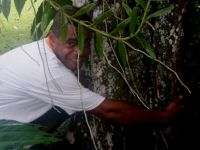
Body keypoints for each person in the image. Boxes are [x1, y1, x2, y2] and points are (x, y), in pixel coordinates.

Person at [0, 6, 183, 133]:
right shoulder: (49, 74)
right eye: (71, 43)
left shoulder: (39, 50)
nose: (81, 52)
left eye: (85, 42)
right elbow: (111, 111)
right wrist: (163, 117)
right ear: (52, 38)